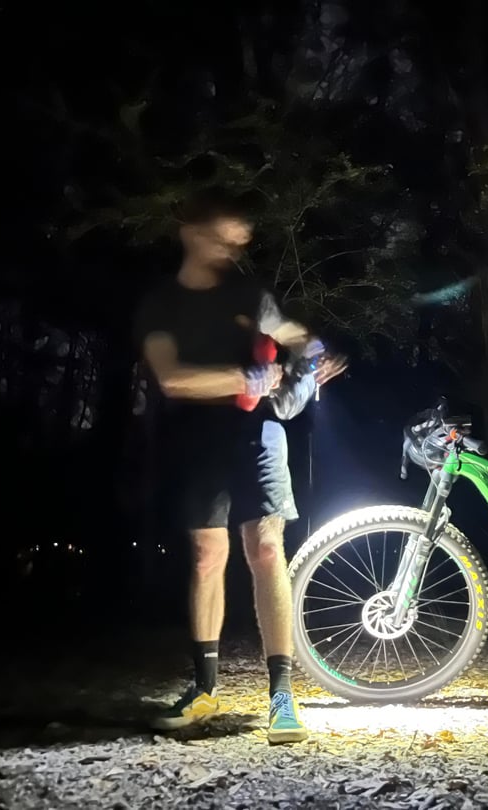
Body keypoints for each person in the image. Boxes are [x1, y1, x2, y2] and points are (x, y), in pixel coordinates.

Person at [134, 189, 342, 744]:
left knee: (267, 549)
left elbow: (293, 334)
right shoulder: (161, 303)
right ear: (191, 232)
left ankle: (282, 697)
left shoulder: (250, 293)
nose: (230, 250)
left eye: (237, 243)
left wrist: (313, 354)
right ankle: (204, 689)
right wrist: (244, 379)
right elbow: (171, 377)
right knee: (208, 557)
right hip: (197, 436)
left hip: (259, 432)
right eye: (221, 239)